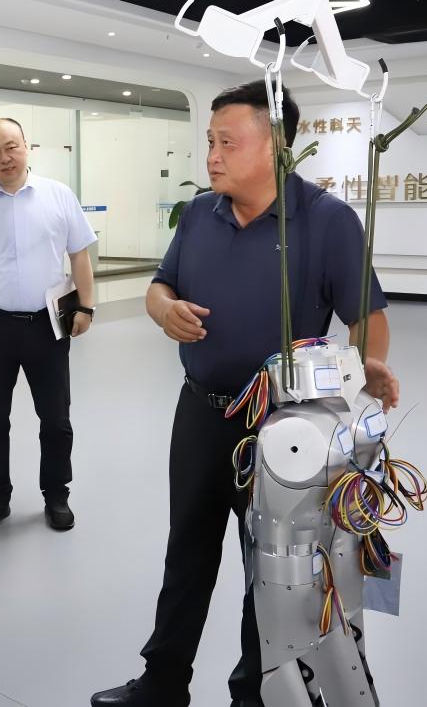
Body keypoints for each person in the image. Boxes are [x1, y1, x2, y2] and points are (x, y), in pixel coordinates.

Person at [91, 80, 399, 707]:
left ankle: (253, 693)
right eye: (210, 142)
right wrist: (164, 310)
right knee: (187, 549)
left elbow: (367, 320)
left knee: (274, 568)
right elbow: (160, 285)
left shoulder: (327, 221)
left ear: (277, 146)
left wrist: (366, 368)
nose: (211, 156)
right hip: (201, 412)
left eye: (227, 143)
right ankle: (163, 680)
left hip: (282, 428)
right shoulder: (200, 214)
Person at [0, 117, 98, 533]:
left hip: (47, 323)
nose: (4, 158)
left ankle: (57, 494)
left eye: (11, 147)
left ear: (27, 146)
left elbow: (79, 255)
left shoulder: (58, 195)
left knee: (56, 416)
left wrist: (86, 307)